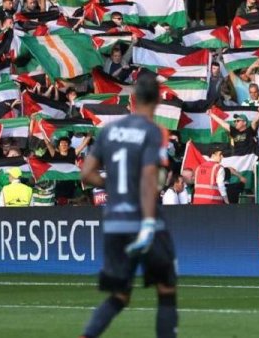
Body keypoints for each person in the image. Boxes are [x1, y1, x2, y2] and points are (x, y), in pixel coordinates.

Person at [79, 75, 177, 338]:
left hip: (114, 222)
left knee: (120, 295)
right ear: (157, 99)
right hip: (143, 220)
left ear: (133, 98)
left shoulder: (109, 131)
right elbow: (147, 179)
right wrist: (147, 223)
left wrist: (112, 186)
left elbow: (86, 173)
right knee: (166, 289)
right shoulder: (152, 131)